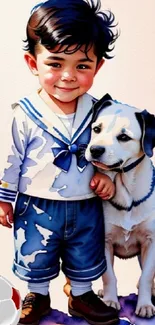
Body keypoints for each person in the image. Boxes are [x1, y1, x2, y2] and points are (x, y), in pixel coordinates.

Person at [0, 0, 119, 324]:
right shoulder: (23, 113)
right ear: (32, 63)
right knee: (35, 252)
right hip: (37, 205)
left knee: (85, 251)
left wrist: (107, 175)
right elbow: (11, 159)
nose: (68, 76)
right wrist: (4, 198)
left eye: (82, 65)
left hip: (85, 204)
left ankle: (81, 295)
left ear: (97, 67)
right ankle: (36, 295)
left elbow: (111, 149)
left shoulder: (102, 112)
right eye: (55, 63)